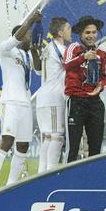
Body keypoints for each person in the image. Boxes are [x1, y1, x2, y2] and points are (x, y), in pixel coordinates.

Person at [0, 10, 42, 185]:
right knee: (7, 141)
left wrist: (35, 50)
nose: (29, 37)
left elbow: (39, 70)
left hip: (25, 104)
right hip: (10, 101)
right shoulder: (6, 49)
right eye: (28, 34)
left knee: (23, 146)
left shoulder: (27, 55)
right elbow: (17, 37)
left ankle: (11, 185)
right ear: (19, 36)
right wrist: (29, 21)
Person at [63, 16, 106, 163]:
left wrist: (100, 86)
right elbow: (66, 64)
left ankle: (93, 181)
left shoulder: (101, 53)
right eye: (87, 32)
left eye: (94, 32)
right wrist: (83, 57)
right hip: (76, 101)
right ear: (81, 34)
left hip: (95, 102)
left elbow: (104, 76)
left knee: (96, 148)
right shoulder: (73, 48)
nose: (91, 36)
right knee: (73, 147)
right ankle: (67, 181)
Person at [36, 17, 72, 172]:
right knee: (57, 137)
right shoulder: (61, 50)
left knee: (48, 137)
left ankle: (41, 172)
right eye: (68, 28)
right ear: (60, 32)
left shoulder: (47, 48)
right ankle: (50, 172)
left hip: (44, 97)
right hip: (54, 98)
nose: (70, 31)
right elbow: (76, 65)